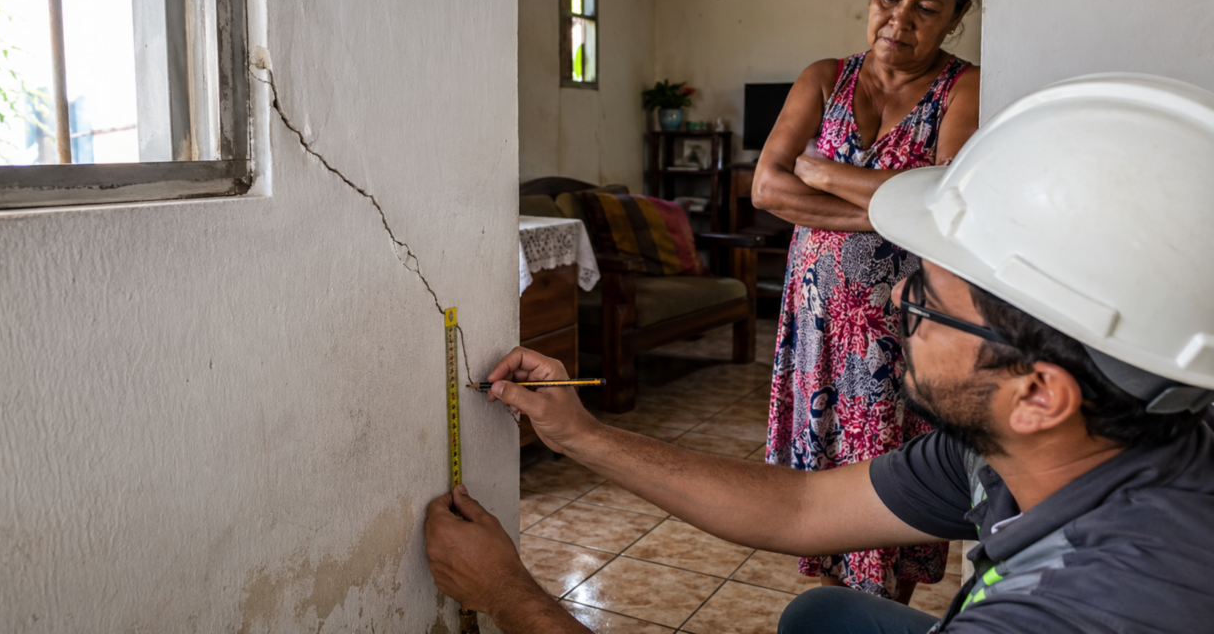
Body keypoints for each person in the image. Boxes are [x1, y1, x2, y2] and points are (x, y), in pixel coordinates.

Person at [423, 73, 1214, 633]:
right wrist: (581, 434)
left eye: (931, 304)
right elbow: (802, 507)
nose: (897, 304)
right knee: (823, 611)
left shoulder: (1100, 604)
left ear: (1041, 393)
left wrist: (511, 595)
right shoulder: (1049, 444)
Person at [751, 0, 982, 601]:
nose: (900, 19)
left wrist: (822, 174)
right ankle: (834, 609)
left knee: (889, 497)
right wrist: (893, 207)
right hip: (816, 330)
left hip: (903, 333)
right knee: (816, 486)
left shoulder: (961, 88)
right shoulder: (825, 77)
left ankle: (878, 615)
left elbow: (948, 201)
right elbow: (767, 189)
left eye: (927, 9)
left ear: (958, 16)